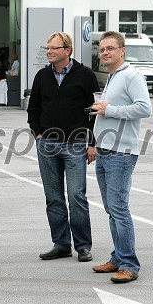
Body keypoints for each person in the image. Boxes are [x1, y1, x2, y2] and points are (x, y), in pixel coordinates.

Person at [27, 32, 100, 263]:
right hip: (47, 144)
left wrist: (91, 143)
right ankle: (61, 244)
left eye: (53, 48)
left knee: (77, 195)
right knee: (53, 197)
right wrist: (38, 133)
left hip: (76, 143)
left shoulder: (85, 75)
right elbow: (34, 108)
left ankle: (83, 246)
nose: (48, 52)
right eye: (47, 48)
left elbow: (95, 111)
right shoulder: (42, 75)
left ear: (67, 50)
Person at [90, 31, 152, 283]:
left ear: (122, 51)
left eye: (110, 48)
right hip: (105, 150)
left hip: (121, 152)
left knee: (119, 209)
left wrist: (109, 109)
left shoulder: (131, 75)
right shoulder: (112, 76)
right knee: (110, 209)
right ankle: (118, 257)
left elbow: (144, 108)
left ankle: (129, 264)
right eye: (102, 49)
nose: (104, 52)